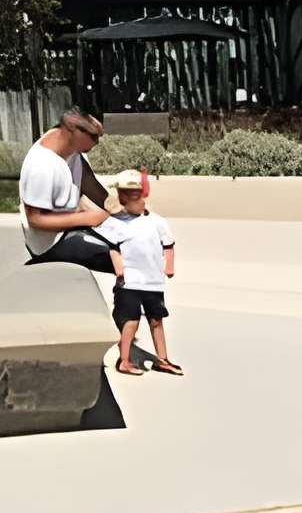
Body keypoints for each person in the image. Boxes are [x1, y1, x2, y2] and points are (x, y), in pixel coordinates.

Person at [99, 169, 181, 376]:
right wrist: (119, 269)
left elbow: (168, 244)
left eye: (137, 192)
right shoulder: (114, 222)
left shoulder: (157, 222)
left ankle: (162, 360)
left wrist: (168, 266)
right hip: (129, 282)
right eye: (126, 193)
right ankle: (124, 360)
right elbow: (112, 247)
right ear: (120, 195)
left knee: (156, 320)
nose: (133, 197)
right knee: (130, 321)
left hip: (153, 281)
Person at [18, 109, 118, 272]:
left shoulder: (74, 149)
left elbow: (87, 181)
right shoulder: (41, 165)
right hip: (50, 244)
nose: (97, 142)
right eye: (93, 136)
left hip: (72, 226)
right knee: (125, 255)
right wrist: (87, 218)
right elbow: (35, 220)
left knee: (136, 240)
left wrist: (117, 208)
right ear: (72, 130)